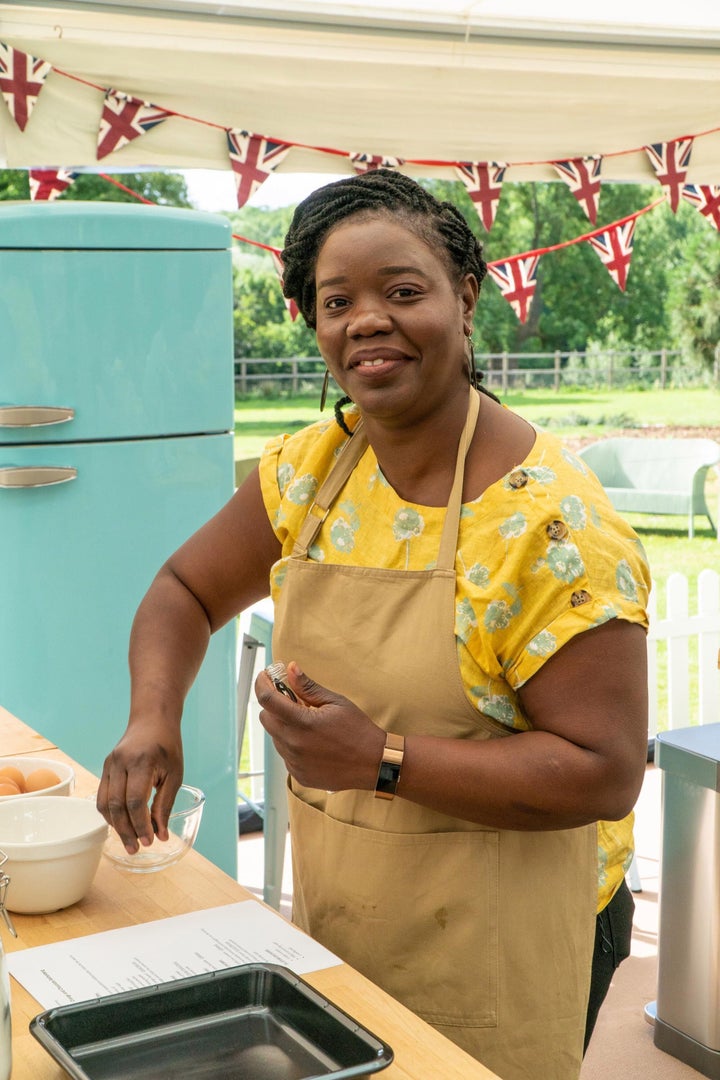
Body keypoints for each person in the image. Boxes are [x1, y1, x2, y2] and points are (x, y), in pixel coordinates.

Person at [97, 170, 650, 1080]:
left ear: (465, 298)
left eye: (403, 291)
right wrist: (153, 716)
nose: (367, 320)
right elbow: (183, 591)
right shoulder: (313, 470)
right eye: (336, 300)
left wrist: (380, 759)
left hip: (508, 935)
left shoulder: (551, 529)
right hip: (355, 909)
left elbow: (604, 770)